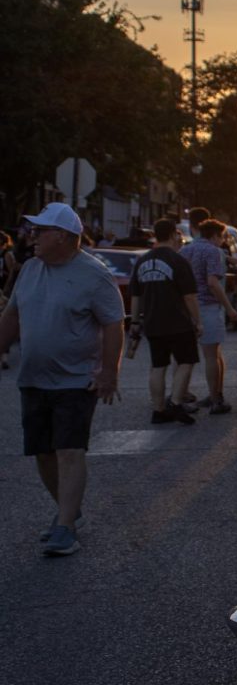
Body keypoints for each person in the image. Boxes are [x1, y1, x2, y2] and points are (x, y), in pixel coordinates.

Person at [0, 203, 125, 556]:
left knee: (69, 450)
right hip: (34, 378)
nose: (32, 236)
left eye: (40, 231)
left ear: (64, 237)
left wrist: (109, 373)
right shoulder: (29, 269)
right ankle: (68, 510)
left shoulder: (94, 274)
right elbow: (11, 315)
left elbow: (114, 323)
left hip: (76, 380)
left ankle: (65, 526)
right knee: (42, 452)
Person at [129, 218, 200, 426]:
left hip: (152, 322)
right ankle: (176, 403)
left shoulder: (142, 261)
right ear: (172, 234)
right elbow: (189, 296)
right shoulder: (178, 261)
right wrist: (197, 320)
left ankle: (158, 409)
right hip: (178, 322)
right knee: (186, 361)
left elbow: (135, 295)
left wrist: (135, 321)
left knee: (158, 366)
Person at [180, 219, 237, 414]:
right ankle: (216, 400)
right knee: (212, 356)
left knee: (197, 355)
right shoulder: (213, 251)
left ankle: (191, 395)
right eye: (222, 237)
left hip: (188, 307)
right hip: (208, 306)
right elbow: (213, 282)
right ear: (214, 235)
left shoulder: (186, 250)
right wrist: (229, 307)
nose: (223, 241)